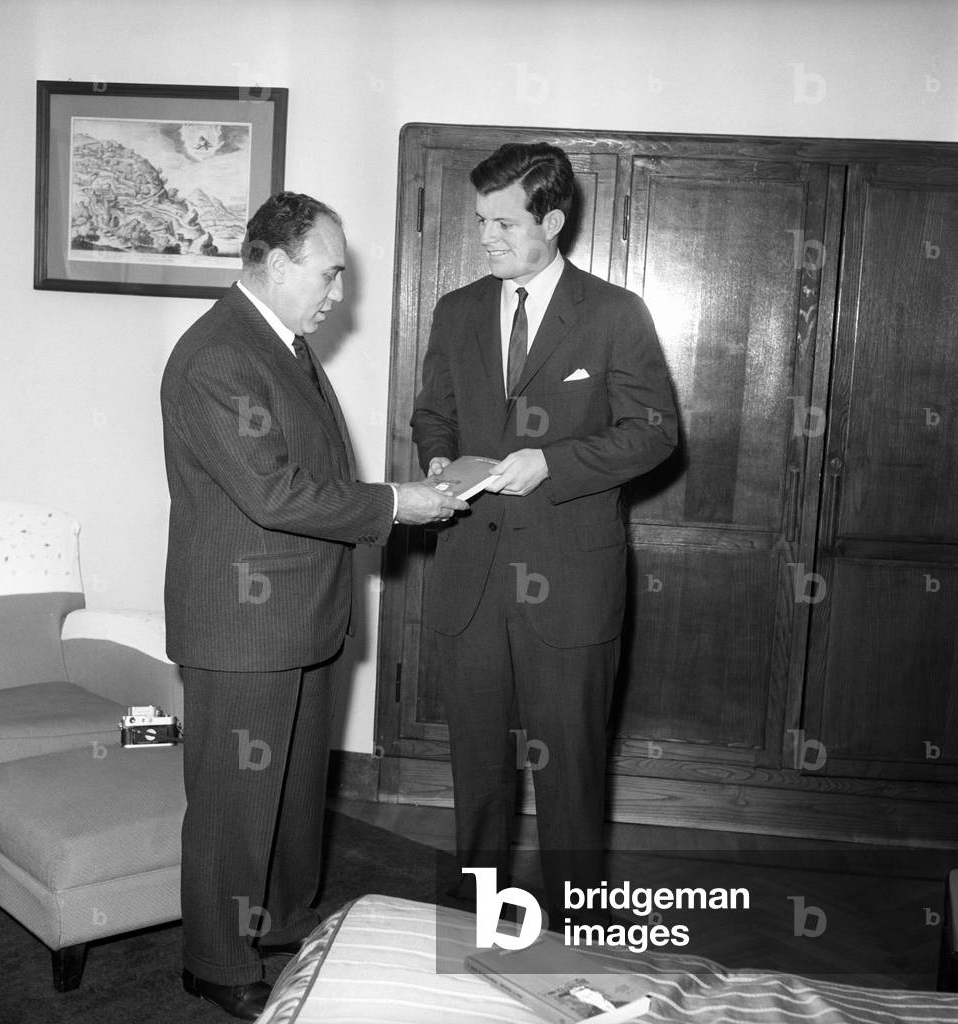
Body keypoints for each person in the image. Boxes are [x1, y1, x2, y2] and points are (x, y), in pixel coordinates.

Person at [161, 191, 466, 1021]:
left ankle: (280, 918)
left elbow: (309, 474)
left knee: (293, 789)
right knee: (233, 801)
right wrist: (397, 504)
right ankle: (213, 959)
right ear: (280, 263)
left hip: (303, 615)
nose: (339, 293)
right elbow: (275, 491)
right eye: (330, 274)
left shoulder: (281, 344)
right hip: (244, 623)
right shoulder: (217, 354)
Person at [411, 143, 678, 929]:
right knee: (480, 771)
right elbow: (434, 412)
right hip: (469, 577)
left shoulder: (613, 314)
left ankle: (573, 934)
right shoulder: (455, 311)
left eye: (502, 222)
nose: (485, 237)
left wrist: (551, 464)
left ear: (551, 220)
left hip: (569, 580)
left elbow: (654, 434)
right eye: (479, 220)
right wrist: (436, 459)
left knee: (569, 773)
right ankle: (475, 922)